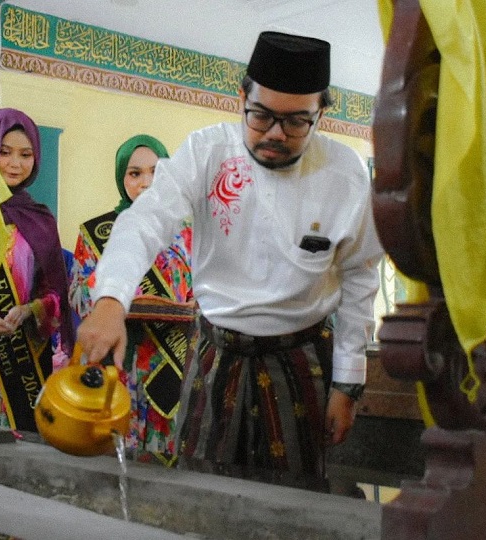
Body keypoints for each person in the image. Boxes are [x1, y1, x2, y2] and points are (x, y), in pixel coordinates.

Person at [76, 31, 383, 491]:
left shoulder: (346, 174)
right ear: (241, 96)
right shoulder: (207, 153)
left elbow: (360, 277)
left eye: (297, 121)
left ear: (322, 111)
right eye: (261, 116)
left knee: (298, 504)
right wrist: (110, 300)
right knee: (201, 497)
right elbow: (145, 223)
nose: (275, 134)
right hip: (216, 356)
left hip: (301, 362)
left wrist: (347, 384)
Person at [70, 134, 193, 466]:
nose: (146, 182)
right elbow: (79, 294)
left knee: (164, 461)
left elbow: (202, 295)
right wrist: (110, 298)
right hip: (115, 358)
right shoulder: (96, 232)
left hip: (170, 360)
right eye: (134, 173)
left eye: (155, 172)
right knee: (110, 457)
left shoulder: (187, 233)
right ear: (121, 178)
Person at [0, 108, 75, 432]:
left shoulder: (41, 219)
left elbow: (55, 293)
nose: (14, 164)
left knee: (27, 451)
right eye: (4, 152)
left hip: (27, 357)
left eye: (25, 154)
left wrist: (30, 309)